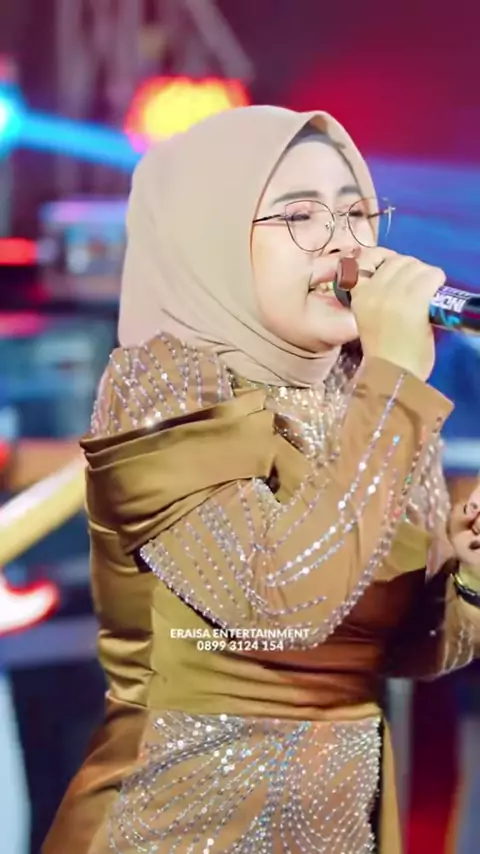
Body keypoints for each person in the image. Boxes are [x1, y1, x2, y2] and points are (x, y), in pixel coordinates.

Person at [42, 106, 480, 854]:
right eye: (300, 217)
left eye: (356, 214)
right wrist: (396, 387)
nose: (345, 245)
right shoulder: (165, 385)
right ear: (209, 239)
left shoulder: (368, 397)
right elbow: (279, 605)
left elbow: (413, 649)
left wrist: (468, 568)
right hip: (178, 827)